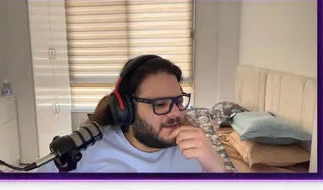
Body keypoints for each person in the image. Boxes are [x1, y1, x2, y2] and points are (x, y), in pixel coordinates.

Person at [42, 55, 226, 173]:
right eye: (160, 104)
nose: (176, 113)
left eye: (178, 101)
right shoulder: (83, 152)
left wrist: (216, 168)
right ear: (125, 109)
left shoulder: (197, 150)